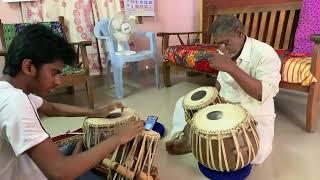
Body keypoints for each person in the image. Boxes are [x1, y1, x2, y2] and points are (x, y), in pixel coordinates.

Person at [0, 24, 144, 180]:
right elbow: (60, 172)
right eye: (54, 72)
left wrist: (96, 112)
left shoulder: (10, 91)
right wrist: (117, 137)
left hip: (32, 165)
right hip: (43, 173)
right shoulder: (15, 103)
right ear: (28, 67)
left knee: (80, 145)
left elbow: (52, 108)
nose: (58, 81)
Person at [166, 15, 281, 165]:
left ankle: (198, 140)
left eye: (226, 42)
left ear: (239, 33)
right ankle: (188, 138)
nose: (222, 48)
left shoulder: (266, 53)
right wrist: (211, 101)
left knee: (257, 155)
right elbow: (220, 81)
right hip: (225, 102)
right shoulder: (223, 50)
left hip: (253, 107)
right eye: (218, 43)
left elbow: (262, 93)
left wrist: (231, 67)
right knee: (183, 103)